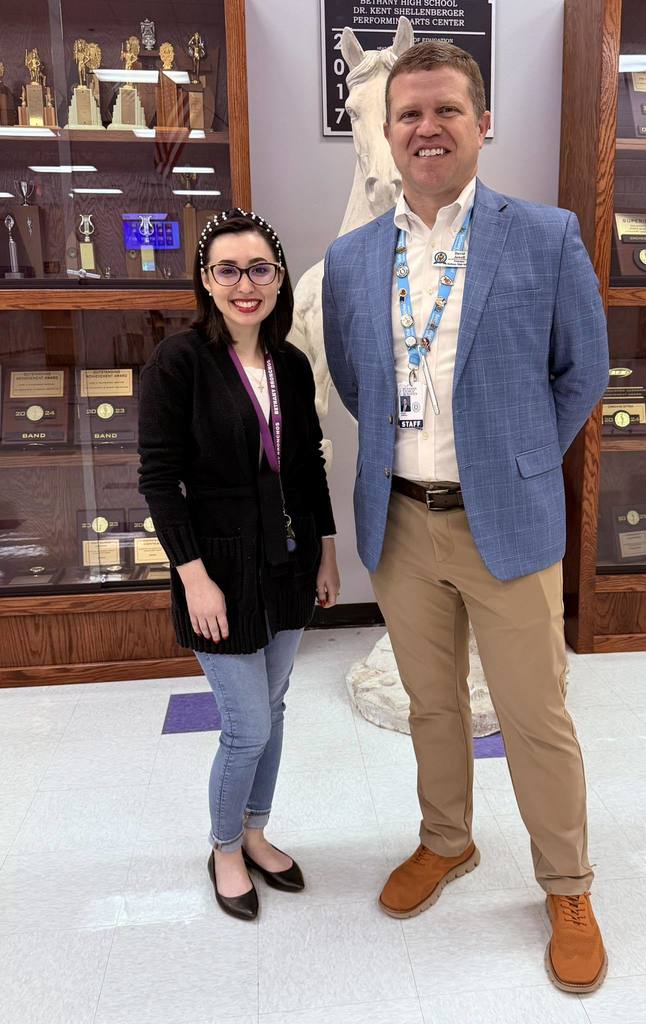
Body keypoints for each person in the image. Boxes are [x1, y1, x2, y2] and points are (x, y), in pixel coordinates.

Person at [322, 43, 609, 992]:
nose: (427, 128)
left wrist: (520, 460)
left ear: (483, 123)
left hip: (508, 523)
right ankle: (447, 841)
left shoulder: (546, 234)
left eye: (447, 110)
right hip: (402, 524)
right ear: (388, 131)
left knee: (535, 716)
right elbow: (362, 381)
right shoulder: (356, 256)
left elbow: (583, 372)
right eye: (409, 114)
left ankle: (565, 882)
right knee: (432, 704)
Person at [139, 208, 340, 921]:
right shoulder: (179, 362)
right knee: (246, 722)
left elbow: (309, 465)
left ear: (278, 279)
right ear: (206, 280)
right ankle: (225, 845)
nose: (245, 284)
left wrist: (327, 549)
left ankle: (257, 830)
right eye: (228, 270)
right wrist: (192, 577)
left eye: (259, 269)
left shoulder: (288, 361)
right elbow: (160, 480)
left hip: (286, 562)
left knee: (276, 706)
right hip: (217, 568)